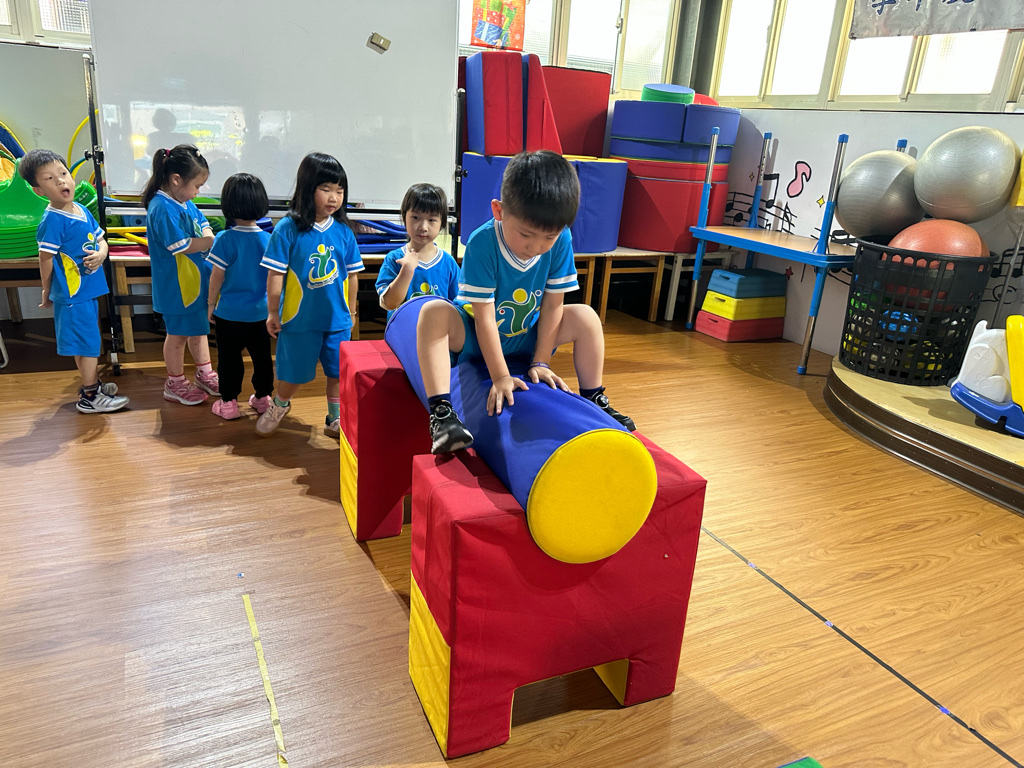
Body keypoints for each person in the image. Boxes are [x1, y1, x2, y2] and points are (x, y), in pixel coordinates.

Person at [415, 150, 635, 454]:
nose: (536, 247)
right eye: (526, 235)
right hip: (476, 336)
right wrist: (500, 376)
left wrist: (541, 361)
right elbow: (484, 317)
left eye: (548, 237)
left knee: (585, 316)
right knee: (432, 312)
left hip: (526, 334)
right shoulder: (482, 242)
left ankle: (594, 398)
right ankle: (442, 413)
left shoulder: (562, 240)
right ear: (499, 210)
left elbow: (553, 305)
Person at [255, 152, 364, 438]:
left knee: (337, 373)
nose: (334, 197)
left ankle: (334, 418)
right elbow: (275, 274)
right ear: (307, 188)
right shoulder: (287, 228)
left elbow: (352, 276)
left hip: (337, 321)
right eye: (326, 189)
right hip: (298, 320)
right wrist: (273, 311)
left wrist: (351, 312)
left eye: (339, 190)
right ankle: (280, 404)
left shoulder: (344, 232)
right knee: (293, 373)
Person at [19, 149, 129, 413]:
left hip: (87, 291)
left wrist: (102, 254)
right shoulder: (53, 220)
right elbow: (45, 258)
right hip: (73, 295)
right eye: (49, 178)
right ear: (38, 190)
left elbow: (101, 239)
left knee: (87, 341)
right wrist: (47, 289)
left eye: (63, 173)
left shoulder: (80, 209)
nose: (60, 181)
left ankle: (93, 385)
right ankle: (90, 396)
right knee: (87, 344)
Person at [142, 144, 220, 405]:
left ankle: (205, 374)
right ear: (176, 179)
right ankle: (174, 383)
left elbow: (203, 223)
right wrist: (208, 242)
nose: (198, 192)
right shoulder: (161, 207)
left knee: (198, 330)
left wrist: (207, 235)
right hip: (176, 287)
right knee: (177, 336)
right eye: (197, 186)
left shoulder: (184, 202)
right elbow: (180, 245)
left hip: (194, 283)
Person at [206, 173, 274, 419]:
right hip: (260, 314)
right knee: (262, 359)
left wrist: (210, 304)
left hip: (229, 315)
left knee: (229, 361)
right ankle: (263, 399)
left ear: (228, 205)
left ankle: (229, 403)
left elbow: (216, 277)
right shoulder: (269, 240)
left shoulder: (224, 239)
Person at [375, 183, 459, 322]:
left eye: (432, 220)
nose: (423, 227)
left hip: (437, 333)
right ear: (404, 217)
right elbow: (389, 303)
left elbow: (458, 307)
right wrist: (407, 270)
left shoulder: (448, 263)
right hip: (401, 333)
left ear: (442, 223)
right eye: (415, 217)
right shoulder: (394, 259)